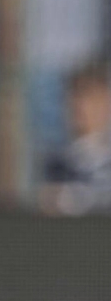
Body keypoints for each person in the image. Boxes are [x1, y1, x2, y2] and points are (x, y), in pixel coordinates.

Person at [39, 57, 111, 215]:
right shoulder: (55, 164)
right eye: (75, 96)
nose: (80, 105)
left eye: (90, 97)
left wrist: (74, 199)